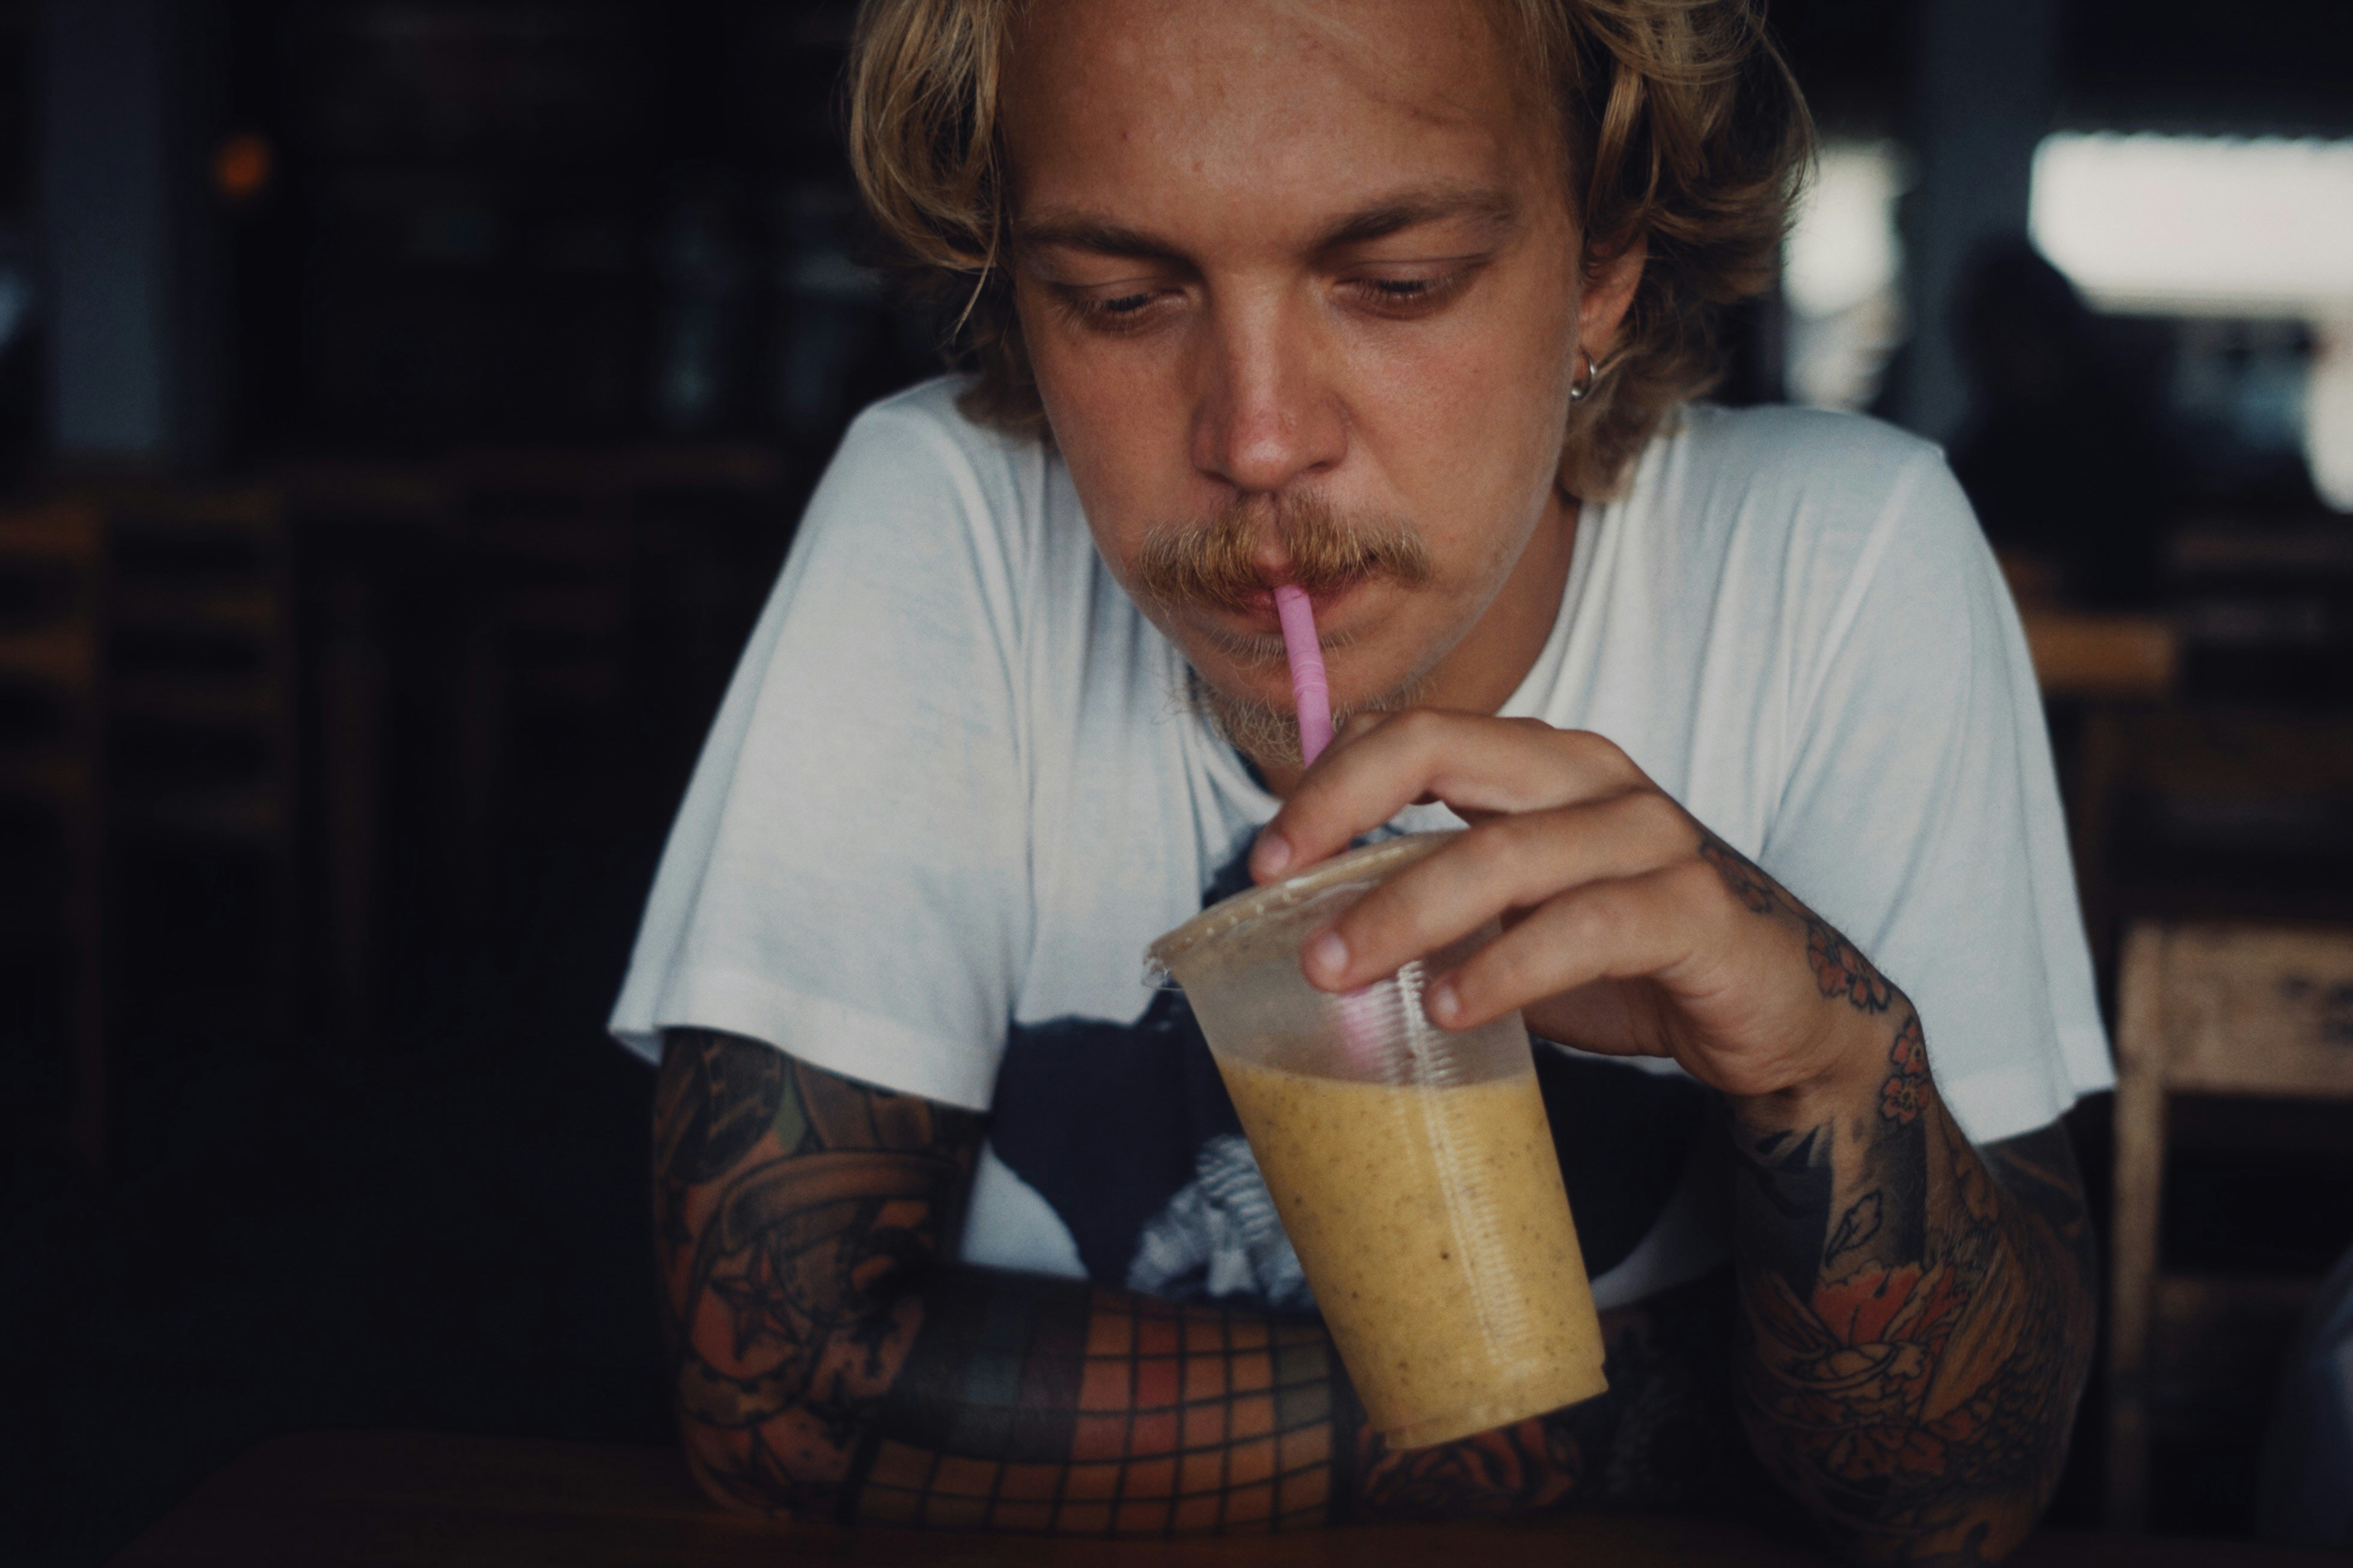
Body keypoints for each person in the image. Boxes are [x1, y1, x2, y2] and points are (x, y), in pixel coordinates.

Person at [611, 0, 2110, 1560]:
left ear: (1602, 265)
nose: (1258, 440)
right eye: (1119, 298)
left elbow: (1960, 1500)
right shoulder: (951, 517)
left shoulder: (1837, 564)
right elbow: (776, 1390)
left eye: (1400, 283)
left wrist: (1827, 1075)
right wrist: (1677, 1403)